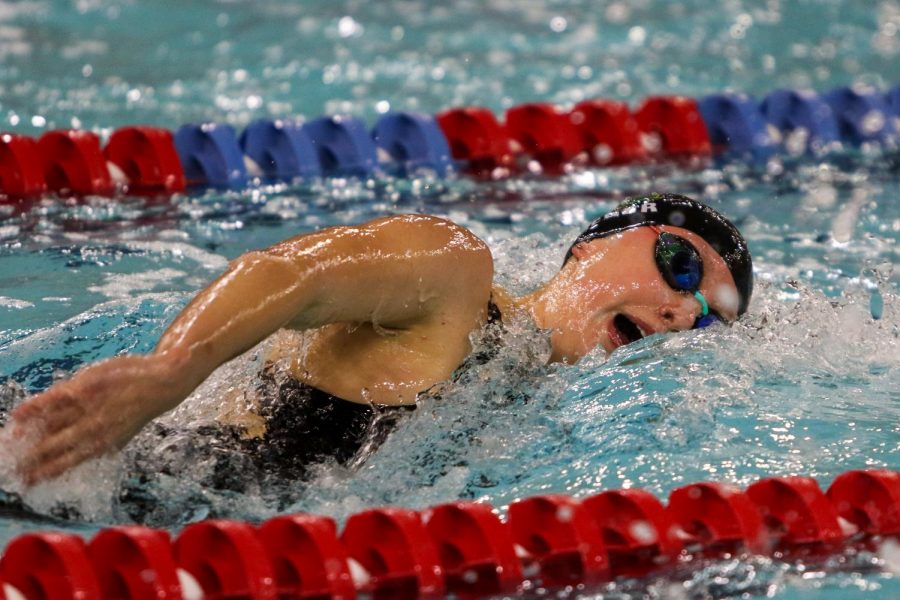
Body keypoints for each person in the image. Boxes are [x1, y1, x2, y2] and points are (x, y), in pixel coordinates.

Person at [7, 192, 752, 485]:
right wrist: (169, 373)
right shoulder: (455, 279)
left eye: (708, 317)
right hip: (81, 466)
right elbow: (292, 275)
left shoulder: (531, 402)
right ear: (591, 246)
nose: (683, 313)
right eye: (679, 265)